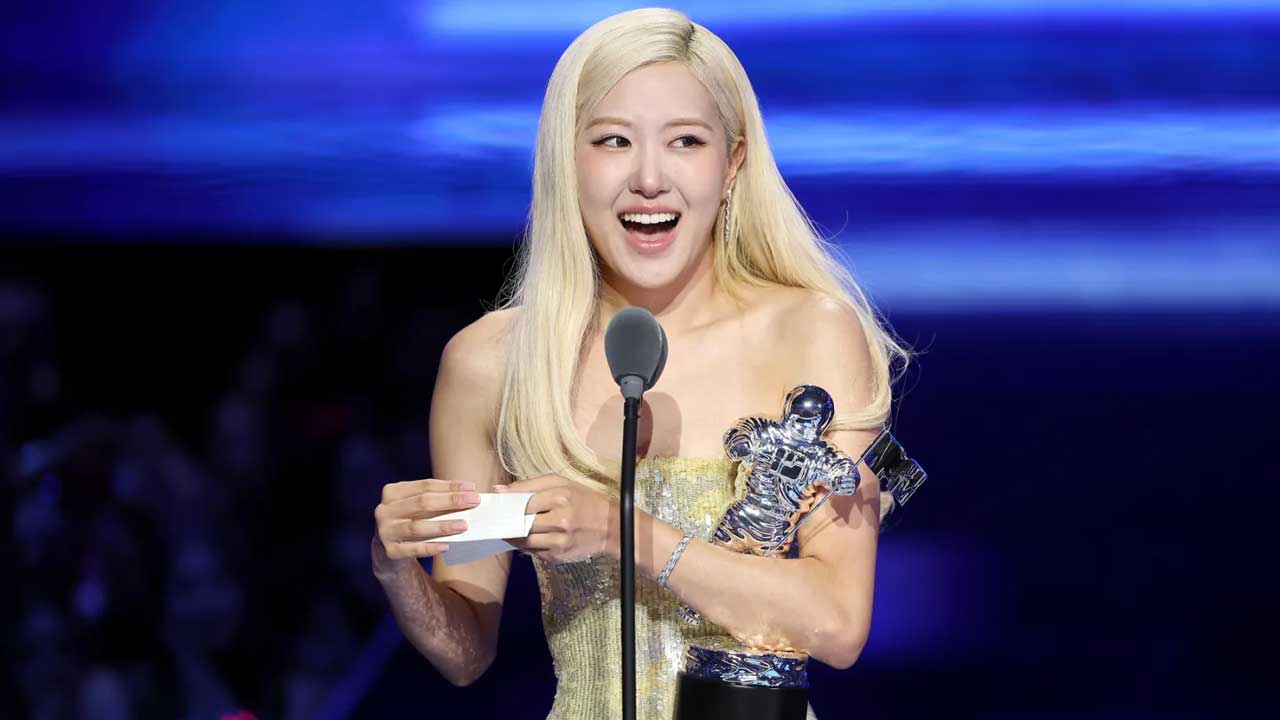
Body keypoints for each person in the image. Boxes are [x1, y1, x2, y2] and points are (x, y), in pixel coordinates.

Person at [371, 8, 911, 719]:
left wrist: (618, 530)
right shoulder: (493, 363)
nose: (649, 178)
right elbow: (466, 650)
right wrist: (396, 571)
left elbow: (836, 624)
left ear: (732, 164)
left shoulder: (810, 332)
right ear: (567, 160)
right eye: (614, 141)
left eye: (685, 141)